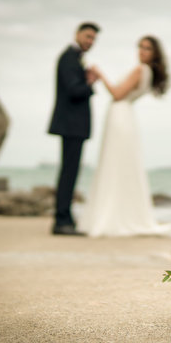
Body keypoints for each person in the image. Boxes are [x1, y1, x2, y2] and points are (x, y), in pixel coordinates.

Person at [78, 35, 171, 237]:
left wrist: (100, 74)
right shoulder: (148, 72)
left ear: (154, 53)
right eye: (140, 47)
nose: (141, 51)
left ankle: (112, 216)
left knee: (114, 164)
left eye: (147, 48)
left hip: (121, 114)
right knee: (120, 165)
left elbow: (117, 94)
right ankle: (119, 213)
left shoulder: (140, 70)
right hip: (126, 116)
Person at [48, 22, 100, 236]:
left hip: (73, 125)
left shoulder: (74, 57)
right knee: (69, 172)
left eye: (93, 39)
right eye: (88, 36)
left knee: (70, 172)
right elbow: (73, 90)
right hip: (71, 125)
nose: (90, 42)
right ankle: (61, 221)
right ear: (77, 34)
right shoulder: (69, 57)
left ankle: (65, 217)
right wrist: (90, 82)